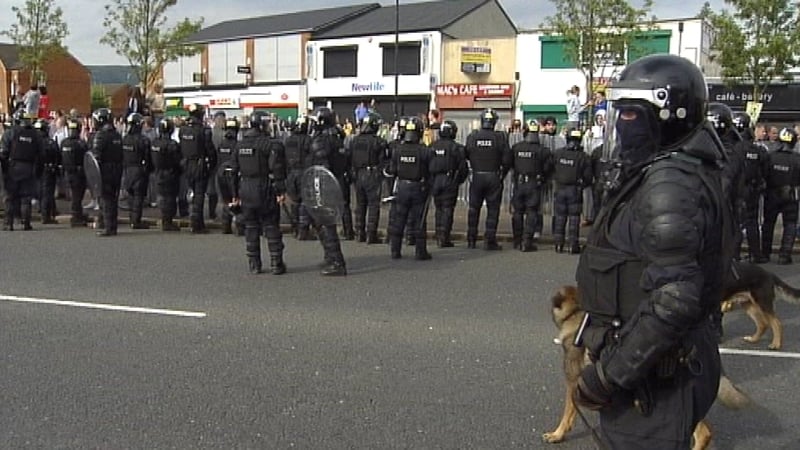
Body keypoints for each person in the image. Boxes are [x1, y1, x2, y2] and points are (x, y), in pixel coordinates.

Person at [573, 54, 734, 449]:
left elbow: (674, 300)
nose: (622, 126)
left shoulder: (670, 184)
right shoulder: (669, 170)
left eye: (631, 115)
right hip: (649, 370)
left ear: (669, 116)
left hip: (653, 379)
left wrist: (609, 374)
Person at [230, 111, 287, 275]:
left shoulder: (240, 145)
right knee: (270, 225)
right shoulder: (270, 144)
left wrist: (235, 194)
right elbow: (277, 169)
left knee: (251, 227)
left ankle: (254, 264)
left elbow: (232, 170)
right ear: (262, 125)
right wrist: (280, 191)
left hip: (245, 188)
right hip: (265, 187)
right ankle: (276, 263)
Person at [305, 107, 348, 276]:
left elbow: (321, 167)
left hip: (325, 187)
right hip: (338, 183)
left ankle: (336, 261)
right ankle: (330, 257)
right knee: (324, 223)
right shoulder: (337, 137)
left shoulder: (321, 140)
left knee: (326, 225)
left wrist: (317, 190)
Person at [386, 117, 433, 260]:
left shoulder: (398, 149)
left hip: (401, 187)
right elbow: (430, 170)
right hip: (418, 187)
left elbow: (392, 170)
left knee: (399, 219)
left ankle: (395, 250)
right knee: (419, 220)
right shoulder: (424, 150)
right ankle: (420, 252)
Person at [464, 108, 510, 250]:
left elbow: (466, 154)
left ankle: (471, 239)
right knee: (493, 210)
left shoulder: (473, 136)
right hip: (493, 176)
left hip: (477, 175)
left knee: (473, 208)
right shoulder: (500, 137)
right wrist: (502, 174)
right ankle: (490, 240)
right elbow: (507, 159)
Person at [732, 112, 769, 263]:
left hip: (735, 190)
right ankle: (756, 254)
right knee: (752, 221)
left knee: (735, 223)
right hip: (753, 190)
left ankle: (734, 255)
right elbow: (765, 169)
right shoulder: (757, 150)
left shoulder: (732, 148)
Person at [509, 121, 551, 252]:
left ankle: (517, 241)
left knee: (518, 212)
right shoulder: (543, 150)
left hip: (519, 183)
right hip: (533, 184)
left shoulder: (516, 148)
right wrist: (542, 177)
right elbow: (548, 168)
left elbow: (510, 164)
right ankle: (527, 242)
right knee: (532, 212)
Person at [760, 127, 800, 265]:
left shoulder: (770, 156)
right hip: (790, 194)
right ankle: (784, 254)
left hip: (771, 194)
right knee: (790, 224)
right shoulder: (797, 159)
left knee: (768, 224)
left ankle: (765, 253)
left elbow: (763, 175)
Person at [550, 128, 592, 254]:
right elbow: (588, 177)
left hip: (560, 188)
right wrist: (581, 185)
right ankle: (573, 246)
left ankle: (558, 245)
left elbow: (551, 169)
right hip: (575, 190)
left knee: (560, 217)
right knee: (574, 218)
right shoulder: (583, 157)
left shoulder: (558, 154)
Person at [350, 111, 388, 244]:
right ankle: (371, 234)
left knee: (360, 204)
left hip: (358, 174)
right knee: (373, 205)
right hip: (372, 174)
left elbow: (349, 158)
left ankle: (359, 232)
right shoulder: (379, 142)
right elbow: (383, 160)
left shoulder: (354, 140)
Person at [429, 120, 467, 248]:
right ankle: (444, 237)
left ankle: (438, 233)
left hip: (435, 180)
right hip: (449, 180)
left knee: (438, 208)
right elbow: (463, 168)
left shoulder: (432, 146)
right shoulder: (456, 148)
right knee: (447, 209)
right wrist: (457, 181)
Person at [179, 104, 216, 233]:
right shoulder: (203, 130)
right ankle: (197, 223)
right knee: (199, 194)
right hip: (199, 164)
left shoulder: (183, 130)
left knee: (192, 191)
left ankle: (193, 219)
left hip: (186, 164)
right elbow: (210, 150)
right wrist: (212, 164)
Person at [1, 112, 42, 231]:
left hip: (13, 167)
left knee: (10, 196)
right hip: (29, 167)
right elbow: (41, 154)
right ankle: (26, 223)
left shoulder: (11, 133)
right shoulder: (36, 135)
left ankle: (9, 223)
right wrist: (38, 170)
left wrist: (4, 170)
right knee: (26, 196)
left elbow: (3, 153)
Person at [91, 108, 125, 237]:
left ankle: (108, 227)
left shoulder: (100, 136)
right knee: (113, 198)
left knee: (106, 199)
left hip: (105, 171)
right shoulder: (117, 135)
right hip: (117, 169)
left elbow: (95, 157)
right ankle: (113, 225)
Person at [149, 119, 182, 232]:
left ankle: (164, 218)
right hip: (170, 173)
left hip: (158, 172)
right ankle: (168, 221)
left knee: (162, 196)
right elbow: (178, 160)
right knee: (170, 197)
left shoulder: (154, 143)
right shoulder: (173, 145)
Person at [122, 113, 153, 229]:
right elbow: (148, 157)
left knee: (130, 194)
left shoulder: (125, 139)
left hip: (127, 169)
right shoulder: (143, 140)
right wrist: (148, 170)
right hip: (139, 170)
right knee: (138, 196)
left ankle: (132, 218)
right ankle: (136, 221)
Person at [283, 115, 311, 240]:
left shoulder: (288, 140)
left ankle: (295, 227)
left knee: (294, 202)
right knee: (305, 202)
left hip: (290, 173)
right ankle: (303, 230)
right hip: (304, 173)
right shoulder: (308, 140)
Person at [60, 118, 90, 226]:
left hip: (68, 173)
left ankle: (78, 214)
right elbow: (87, 158)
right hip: (78, 173)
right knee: (77, 196)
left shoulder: (64, 143)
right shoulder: (80, 144)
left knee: (75, 195)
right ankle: (76, 217)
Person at [215, 117, 240, 234]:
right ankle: (238, 225)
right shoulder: (238, 145)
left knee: (225, 199)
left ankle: (225, 226)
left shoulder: (221, 144)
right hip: (234, 174)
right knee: (236, 198)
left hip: (221, 173)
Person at [35, 119, 62, 224]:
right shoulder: (50, 142)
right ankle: (46, 216)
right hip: (49, 170)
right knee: (47, 192)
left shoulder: (34, 142)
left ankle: (46, 210)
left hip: (37, 169)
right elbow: (58, 156)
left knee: (40, 191)